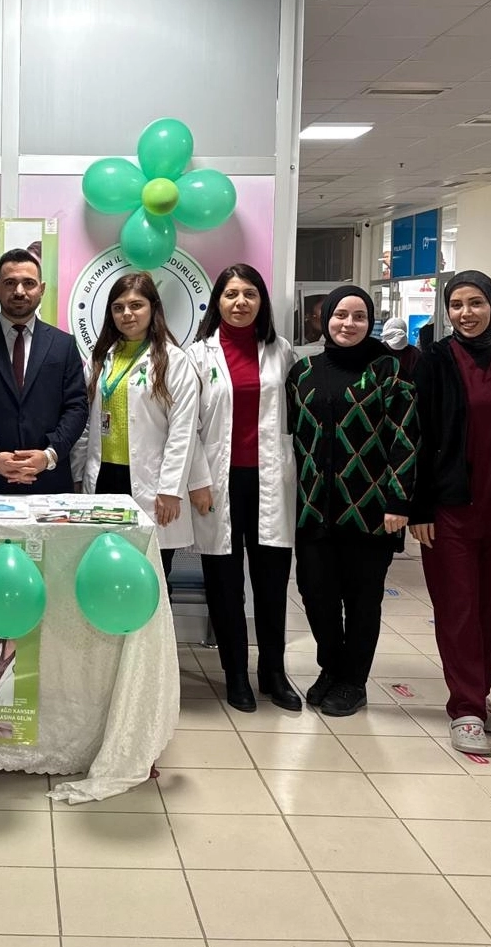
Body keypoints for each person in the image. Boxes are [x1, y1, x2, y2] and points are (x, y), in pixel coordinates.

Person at [287, 286, 418, 718]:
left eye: (359, 316)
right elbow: (291, 437)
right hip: (313, 508)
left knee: (362, 600)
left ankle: (353, 681)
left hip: (370, 511)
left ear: (370, 322)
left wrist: (399, 500)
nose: (348, 323)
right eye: (340, 315)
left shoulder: (388, 371)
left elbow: (405, 438)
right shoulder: (303, 372)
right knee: (315, 594)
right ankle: (331, 667)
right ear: (325, 319)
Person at [409, 271, 491, 754]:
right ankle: (465, 708)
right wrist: (418, 507)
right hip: (450, 508)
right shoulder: (434, 361)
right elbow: (416, 435)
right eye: (456, 305)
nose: (465, 313)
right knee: (458, 610)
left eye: (476, 303)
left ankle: (480, 694)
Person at [186, 264, 299, 713]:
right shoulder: (199, 355)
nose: (240, 302)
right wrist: (198, 481)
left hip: (271, 481)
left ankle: (273, 672)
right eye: (231, 294)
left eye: (249, 294)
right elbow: (188, 428)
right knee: (225, 585)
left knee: (272, 583)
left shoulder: (281, 352)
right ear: (218, 301)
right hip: (219, 483)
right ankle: (235, 674)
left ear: (261, 301)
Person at [73, 272, 199, 580]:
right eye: (118, 307)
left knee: (151, 573)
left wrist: (171, 490)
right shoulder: (100, 359)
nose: (127, 313)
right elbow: (86, 425)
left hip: (150, 482)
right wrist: (78, 475)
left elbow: (182, 431)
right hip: (104, 479)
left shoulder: (173, 361)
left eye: (136, 305)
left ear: (153, 308)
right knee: (105, 570)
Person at [0, 248, 88, 495]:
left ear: (41, 289)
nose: (19, 291)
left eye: (29, 283)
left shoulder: (64, 345)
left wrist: (49, 455)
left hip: (50, 483)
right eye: (10, 283)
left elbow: (76, 408)